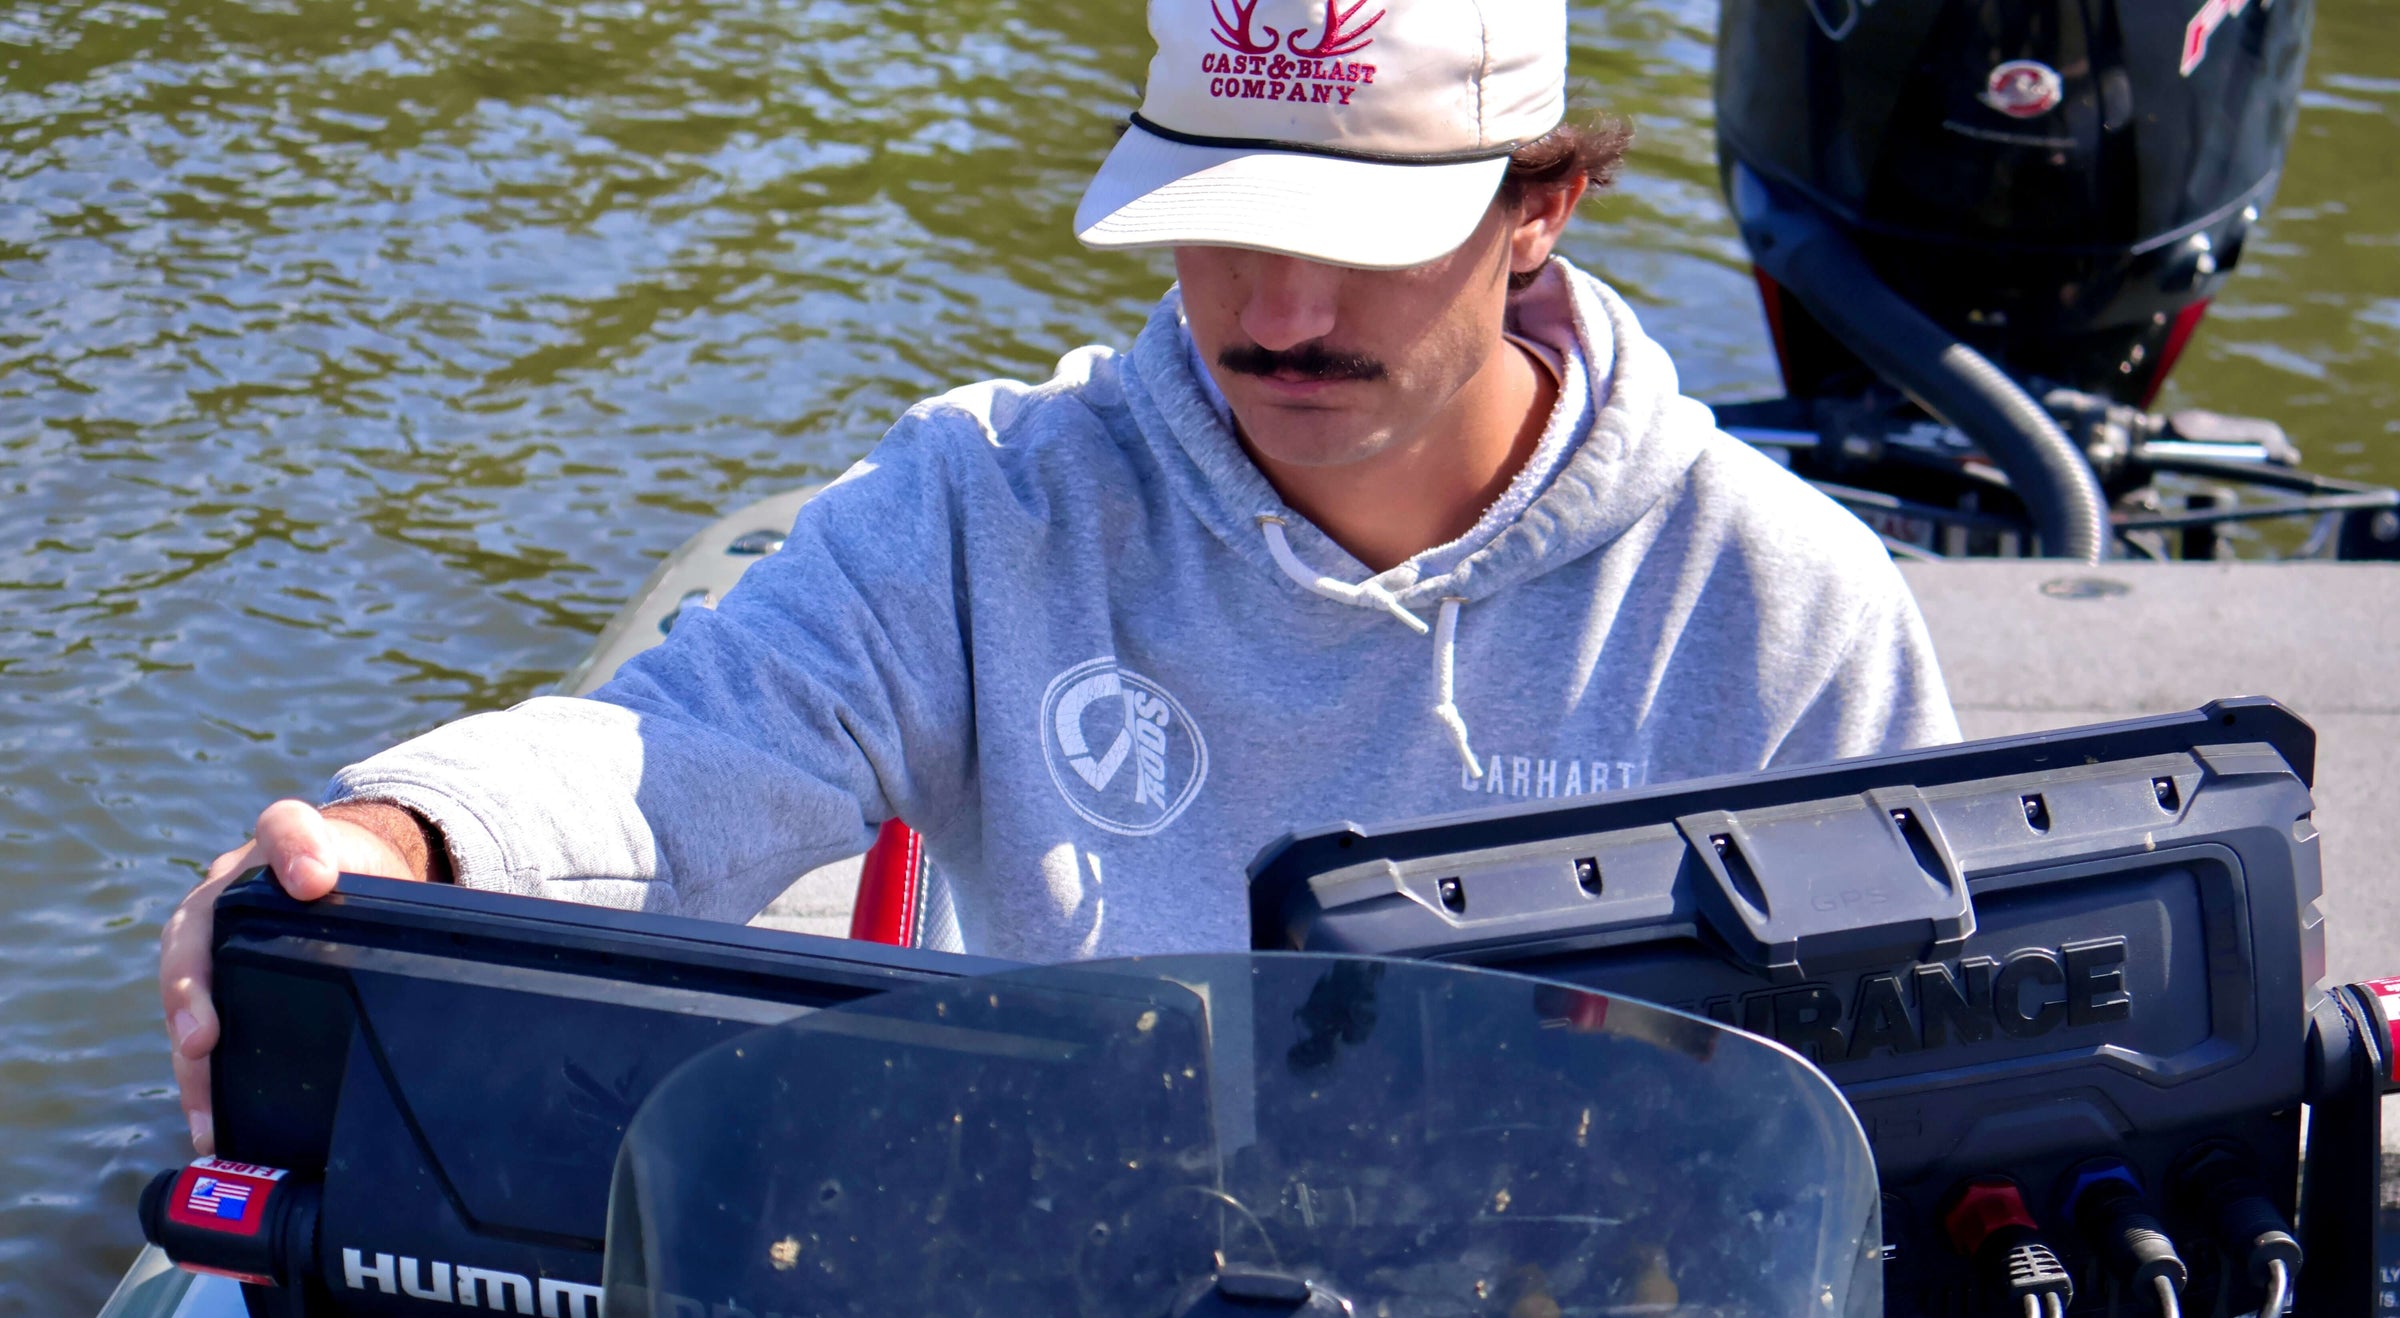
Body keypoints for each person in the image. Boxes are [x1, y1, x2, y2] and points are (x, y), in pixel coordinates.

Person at [159, 0, 1959, 1152]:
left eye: (1363, 242)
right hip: (1063, 1302)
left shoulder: (1783, 604)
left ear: (1537, 209)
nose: (1280, 312)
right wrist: (400, 837)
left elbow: (1898, 1092)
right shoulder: (990, 503)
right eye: (1224, 221)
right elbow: (681, 745)